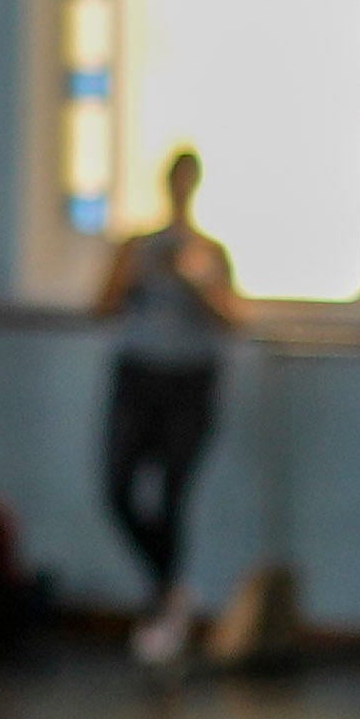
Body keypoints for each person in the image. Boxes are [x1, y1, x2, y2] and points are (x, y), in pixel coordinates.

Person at [96, 144, 250, 670]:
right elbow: (101, 304)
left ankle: (164, 603)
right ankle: (168, 589)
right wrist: (135, 273)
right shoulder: (138, 246)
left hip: (189, 381)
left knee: (172, 495)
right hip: (138, 376)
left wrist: (191, 280)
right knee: (116, 488)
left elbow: (234, 317)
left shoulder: (210, 251)